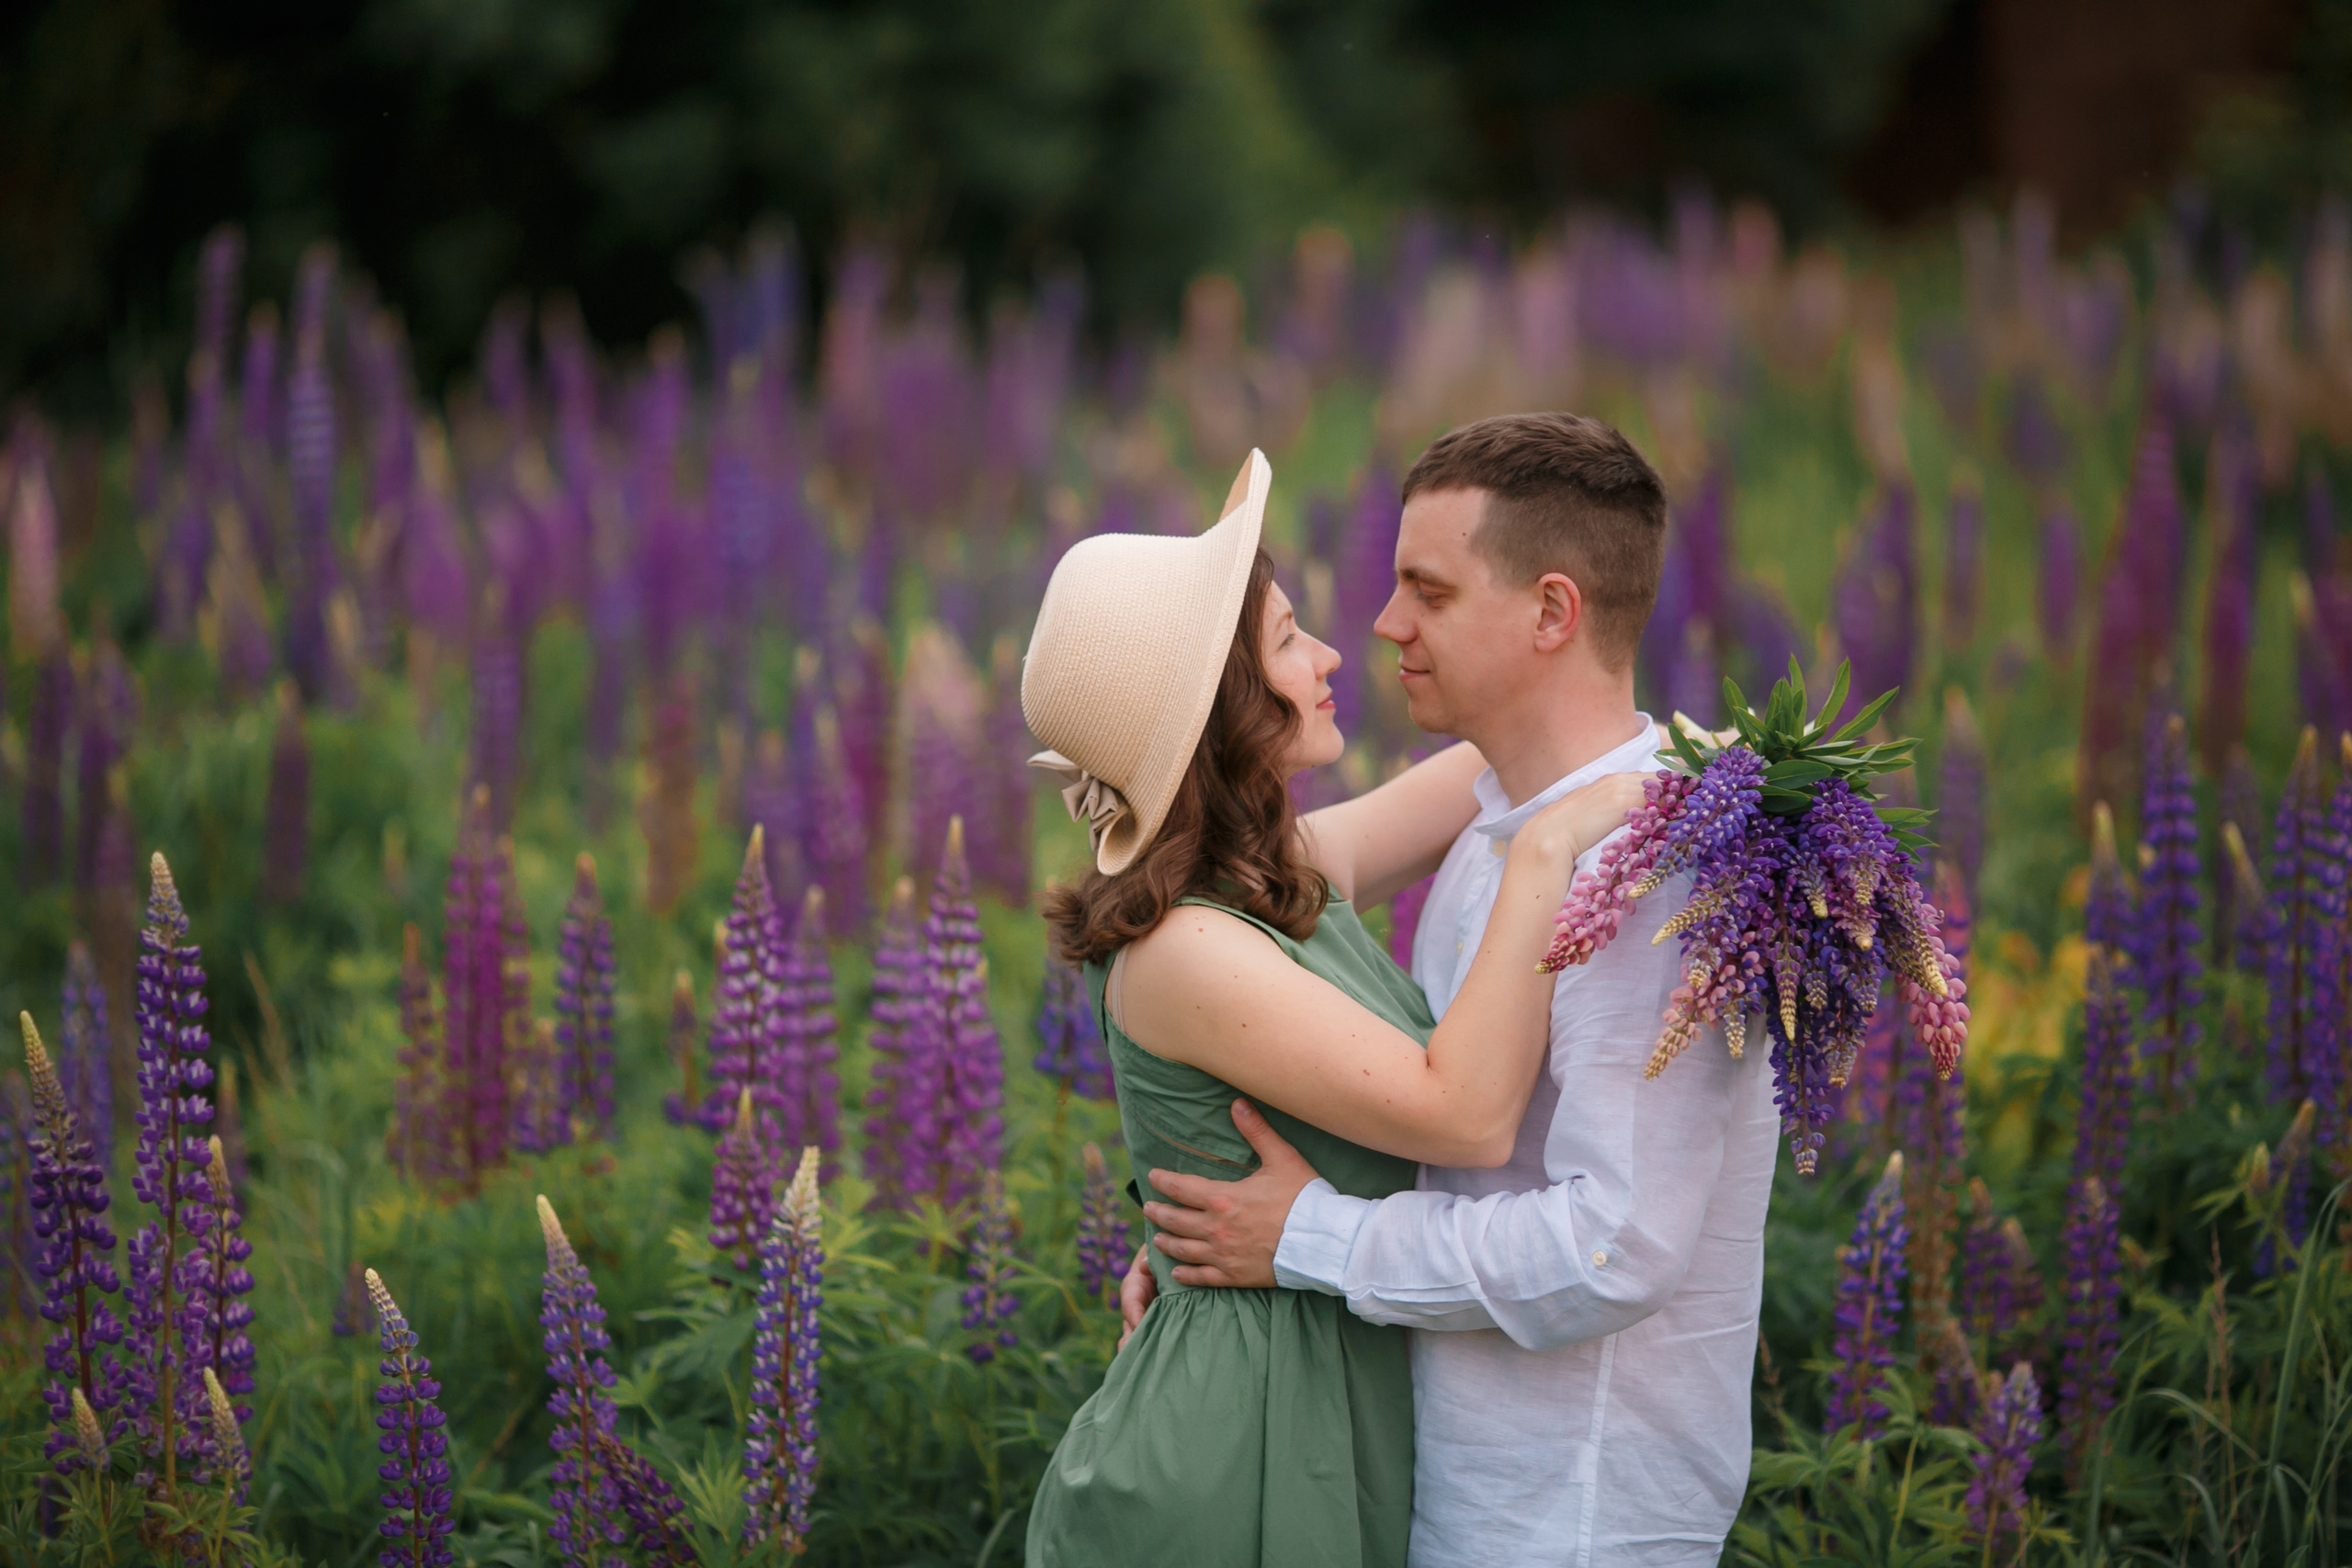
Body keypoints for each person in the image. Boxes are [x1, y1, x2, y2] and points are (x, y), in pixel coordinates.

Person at [1131, 412, 1782, 1567]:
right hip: (1450, 1478)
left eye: (1426, 591)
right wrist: (1218, 1212)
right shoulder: (1504, 828)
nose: (1379, 628)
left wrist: (1308, 1238)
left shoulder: (1656, 876)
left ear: (1550, 612)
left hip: (1575, 1517)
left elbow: (1613, 1246)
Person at [1019, 447, 1646, 1568]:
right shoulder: (1189, 947)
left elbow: (1524, 746)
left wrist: (1742, 771)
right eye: (1286, 638)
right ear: (1222, 709)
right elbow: (1464, 1116)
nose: (1328, 655)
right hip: (1235, 1435)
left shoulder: (1273, 876)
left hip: (1320, 1381)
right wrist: (1548, 850)